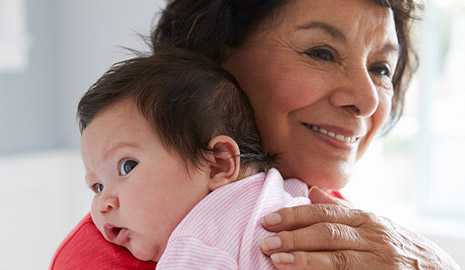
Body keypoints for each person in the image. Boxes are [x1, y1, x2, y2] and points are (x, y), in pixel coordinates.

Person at [51, 0, 461, 269]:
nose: (367, 99)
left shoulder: (318, 208)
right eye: (321, 52)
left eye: (381, 69)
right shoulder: (112, 252)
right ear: (217, 58)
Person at [77, 47, 310, 269]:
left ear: (217, 164)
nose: (102, 203)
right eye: (97, 186)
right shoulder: (288, 191)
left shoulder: (195, 246)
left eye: (127, 166)